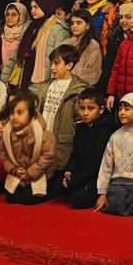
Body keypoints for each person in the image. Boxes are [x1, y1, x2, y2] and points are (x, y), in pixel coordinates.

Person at [0, 89, 58, 205]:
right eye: (12, 113)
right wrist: (14, 169)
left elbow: (47, 157)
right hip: (19, 173)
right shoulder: (7, 133)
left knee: (29, 199)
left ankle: (54, 189)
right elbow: (3, 154)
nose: (14, 117)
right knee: (12, 197)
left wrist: (30, 173)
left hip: (39, 173)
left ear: (31, 114)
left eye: (20, 113)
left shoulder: (43, 134)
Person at [38, 44, 90, 183]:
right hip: (41, 145)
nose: (52, 67)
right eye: (51, 63)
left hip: (61, 148)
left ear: (69, 65)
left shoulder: (79, 90)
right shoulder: (43, 87)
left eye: (56, 63)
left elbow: (81, 122)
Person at [59, 89, 116, 208]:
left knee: (77, 199)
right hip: (81, 173)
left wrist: (75, 180)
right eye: (82, 108)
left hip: (97, 177)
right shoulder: (81, 127)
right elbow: (75, 154)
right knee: (57, 185)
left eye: (90, 109)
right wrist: (69, 171)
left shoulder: (104, 131)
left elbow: (95, 164)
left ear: (101, 109)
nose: (85, 113)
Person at [1, 0, 59, 95]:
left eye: (36, 7)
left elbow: (58, 58)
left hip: (43, 79)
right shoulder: (30, 26)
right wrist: (5, 77)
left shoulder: (57, 29)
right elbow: (18, 53)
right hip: (25, 73)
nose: (32, 10)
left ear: (46, 6)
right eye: (31, 7)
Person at [0, 2, 30, 84]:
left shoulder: (27, 36)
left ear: (22, 16)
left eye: (14, 15)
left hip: (18, 80)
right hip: (0, 80)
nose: (9, 17)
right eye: (7, 14)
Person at [65, 9, 104, 87]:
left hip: (80, 88)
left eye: (78, 23)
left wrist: (73, 85)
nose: (74, 26)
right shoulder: (66, 43)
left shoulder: (93, 45)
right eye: (72, 23)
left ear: (88, 25)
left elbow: (92, 74)